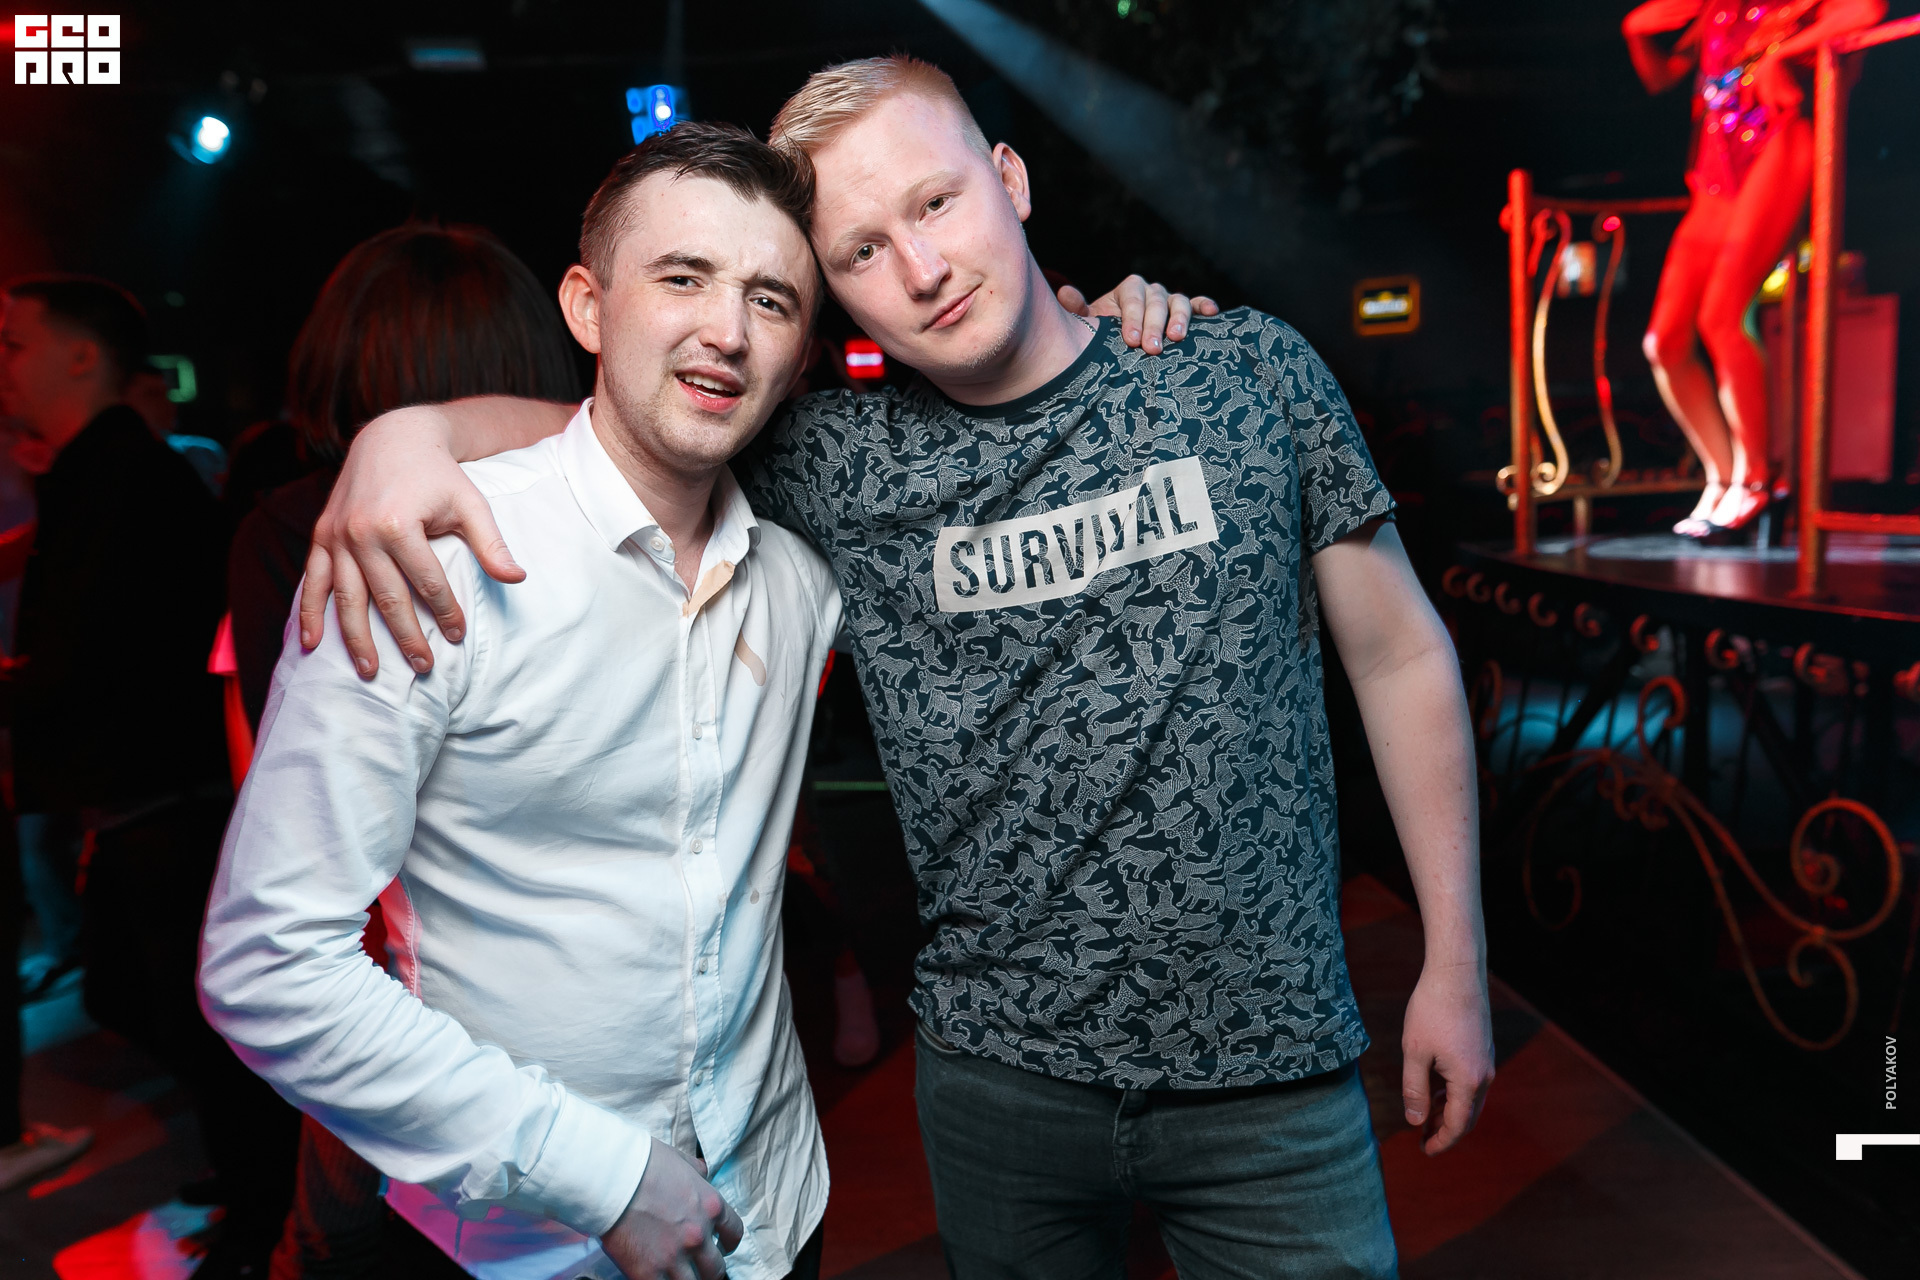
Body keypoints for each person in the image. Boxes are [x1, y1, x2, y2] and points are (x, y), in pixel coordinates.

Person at [303, 56, 1494, 1279]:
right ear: (833, 296)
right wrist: (409, 434)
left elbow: (1399, 654)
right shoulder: (833, 461)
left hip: (1272, 1073)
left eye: (936, 203)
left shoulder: (1240, 374)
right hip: (1000, 1088)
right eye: (863, 250)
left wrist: (1456, 961)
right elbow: (619, 430)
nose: (921, 269)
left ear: (1008, 179)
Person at [216, 222, 583, 1279]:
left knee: (340, 1237)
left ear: (347, 358)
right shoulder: (582, 509)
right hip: (577, 961)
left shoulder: (298, 527)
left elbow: (283, 804)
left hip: (397, 966)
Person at [0, 275, 301, 1252]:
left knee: (199, 1018)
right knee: (142, 1001)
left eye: (15, 343)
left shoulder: (124, 475)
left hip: (173, 802)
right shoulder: (97, 470)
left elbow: (94, 658)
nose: (4, 365)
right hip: (147, 800)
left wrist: (22, 690)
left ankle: (265, 1214)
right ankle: (253, 1185)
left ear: (82, 356)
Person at [1625, 0, 1884, 537]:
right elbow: (1660, 77)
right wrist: (1635, 31)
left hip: (1780, 137)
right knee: (1664, 341)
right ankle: (1721, 476)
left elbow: (1865, 11)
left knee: (1722, 317)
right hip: (1717, 162)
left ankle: (1758, 479)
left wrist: (1783, 53)